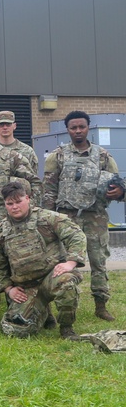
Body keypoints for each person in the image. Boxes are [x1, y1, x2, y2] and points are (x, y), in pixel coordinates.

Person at [42, 110, 125, 321]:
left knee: (98, 262)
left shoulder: (103, 156)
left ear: (88, 127)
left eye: (82, 127)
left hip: (94, 217)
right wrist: (48, 220)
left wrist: (120, 192)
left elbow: (117, 183)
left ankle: (101, 304)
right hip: (65, 218)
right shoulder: (57, 156)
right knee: (59, 261)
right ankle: (54, 305)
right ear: (67, 130)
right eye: (73, 127)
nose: (78, 131)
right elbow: (49, 190)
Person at [0, 181, 88, 339]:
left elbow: (76, 235)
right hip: (26, 287)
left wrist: (71, 262)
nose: (15, 206)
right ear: (5, 205)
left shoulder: (47, 218)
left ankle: (66, 329)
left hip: (52, 277)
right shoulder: (0, 231)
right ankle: (44, 313)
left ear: (27, 198)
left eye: (19, 201)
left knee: (67, 282)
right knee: (17, 331)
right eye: (10, 203)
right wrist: (8, 289)